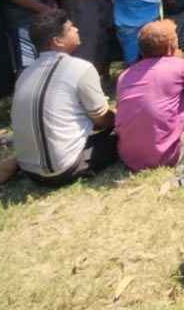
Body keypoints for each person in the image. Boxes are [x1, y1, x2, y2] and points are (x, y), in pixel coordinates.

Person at [10, 10, 118, 186]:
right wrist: (118, 114)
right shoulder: (80, 68)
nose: (76, 29)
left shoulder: (25, 73)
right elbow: (102, 120)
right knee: (126, 129)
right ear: (57, 41)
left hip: (30, 171)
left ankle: (15, 163)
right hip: (63, 170)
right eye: (70, 28)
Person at [114, 20, 184, 174]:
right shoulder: (177, 65)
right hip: (168, 157)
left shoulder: (125, 75)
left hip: (130, 158)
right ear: (170, 48)